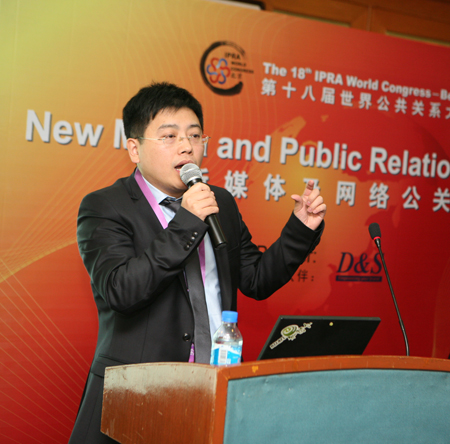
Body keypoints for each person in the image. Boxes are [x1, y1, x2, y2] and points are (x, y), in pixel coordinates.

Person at [69, 82, 326, 443]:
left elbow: (255, 279)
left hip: (214, 387)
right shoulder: (105, 206)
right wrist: (187, 222)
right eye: (169, 136)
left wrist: (300, 230)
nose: (187, 147)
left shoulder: (219, 201)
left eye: (194, 135)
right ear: (134, 148)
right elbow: (121, 290)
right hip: (135, 396)